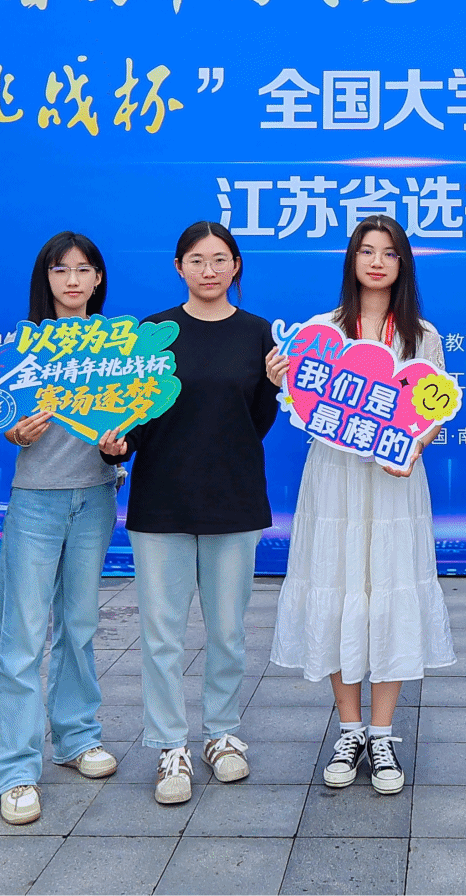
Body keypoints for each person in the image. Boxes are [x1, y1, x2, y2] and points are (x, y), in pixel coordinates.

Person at [266, 216, 455, 796]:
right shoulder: (321, 330)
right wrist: (280, 377)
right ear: (351, 260)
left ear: (403, 264)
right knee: (338, 587)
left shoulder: (420, 335)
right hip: (335, 480)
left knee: (390, 591)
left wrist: (414, 448)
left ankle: (382, 733)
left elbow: (436, 408)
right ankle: (349, 730)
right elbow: (300, 400)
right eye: (366, 251)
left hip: (395, 481)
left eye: (389, 253)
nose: (377, 262)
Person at [99, 221, 279, 805]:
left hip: (234, 497)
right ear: (179, 267)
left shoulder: (259, 334)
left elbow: (259, 419)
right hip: (162, 499)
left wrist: (272, 388)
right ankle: (169, 744)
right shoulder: (151, 333)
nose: (209, 270)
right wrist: (117, 443)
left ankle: (221, 734)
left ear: (236, 266)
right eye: (197, 260)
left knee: (227, 631)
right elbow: (133, 415)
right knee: (162, 635)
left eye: (220, 259)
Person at [0, 232, 122, 827]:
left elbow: (134, 423)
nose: (72, 280)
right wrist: (12, 432)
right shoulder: (21, 346)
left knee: (80, 626)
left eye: (83, 269)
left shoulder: (119, 346)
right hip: (37, 501)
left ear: (98, 278)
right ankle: (16, 769)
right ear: (45, 278)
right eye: (60, 269)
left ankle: (76, 736)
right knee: (21, 637)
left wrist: (121, 448)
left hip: (95, 497)